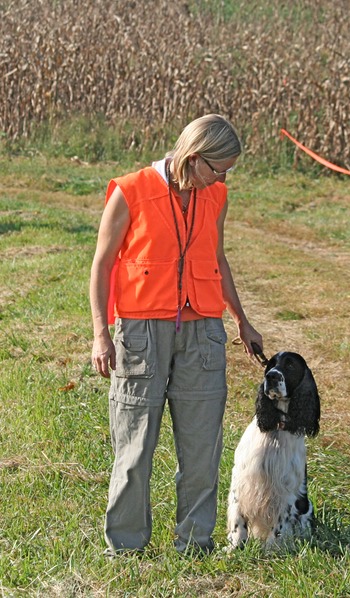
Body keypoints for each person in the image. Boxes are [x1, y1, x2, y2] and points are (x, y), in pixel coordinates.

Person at [90, 114, 262, 556]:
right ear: (194, 157)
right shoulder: (130, 190)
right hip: (141, 334)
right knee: (134, 449)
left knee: (202, 450)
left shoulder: (216, 195)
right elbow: (102, 264)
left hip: (203, 333)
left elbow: (217, 259)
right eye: (219, 169)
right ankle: (125, 548)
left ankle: (195, 543)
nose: (222, 179)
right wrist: (100, 333)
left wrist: (241, 320)